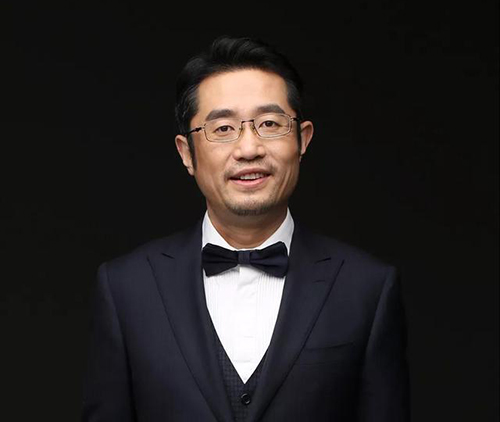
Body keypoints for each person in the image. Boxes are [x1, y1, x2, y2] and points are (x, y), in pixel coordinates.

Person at [81, 36, 410, 422]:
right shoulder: (125, 288)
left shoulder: (367, 288)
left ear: (302, 139)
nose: (249, 149)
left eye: (269, 124)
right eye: (223, 128)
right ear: (187, 153)